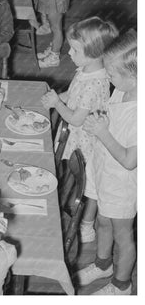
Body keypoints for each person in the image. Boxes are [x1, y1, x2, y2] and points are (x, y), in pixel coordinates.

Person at [41, 16, 118, 243]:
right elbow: (73, 95)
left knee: (89, 184)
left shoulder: (96, 82)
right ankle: (68, 204)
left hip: (87, 140)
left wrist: (57, 104)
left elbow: (75, 119)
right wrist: (58, 98)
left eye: (74, 50)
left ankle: (86, 225)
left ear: (95, 53)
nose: (69, 54)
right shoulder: (86, 70)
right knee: (77, 180)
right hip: (75, 136)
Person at [75, 30, 137, 295]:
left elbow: (129, 160)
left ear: (133, 76)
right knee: (102, 221)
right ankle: (103, 265)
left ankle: (122, 284)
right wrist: (100, 120)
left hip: (122, 184)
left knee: (123, 235)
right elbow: (111, 118)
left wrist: (102, 132)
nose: (107, 77)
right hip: (104, 172)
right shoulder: (122, 91)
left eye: (112, 74)